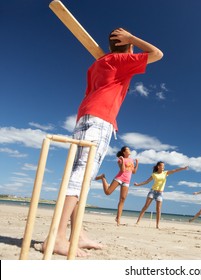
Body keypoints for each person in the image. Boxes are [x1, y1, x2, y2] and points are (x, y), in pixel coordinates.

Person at [42, 28, 163, 257]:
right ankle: (57, 237)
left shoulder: (99, 63)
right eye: (131, 46)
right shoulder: (120, 60)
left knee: (83, 177)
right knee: (81, 175)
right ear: (127, 47)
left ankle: (77, 234)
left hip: (86, 116)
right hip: (100, 119)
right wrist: (132, 39)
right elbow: (157, 53)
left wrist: (123, 44)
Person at [134, 161, 188, 229]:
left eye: (164, 166)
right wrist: (138, 184)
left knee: (158, 209)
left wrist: (183, 168)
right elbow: (147, 181)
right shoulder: (154, 174)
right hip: (152, 192)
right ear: (158, 166)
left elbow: (174, 170)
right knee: (145, 206)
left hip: (160, 193)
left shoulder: (165, 173)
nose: (163, 167)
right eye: (162, 166)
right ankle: (138, 221)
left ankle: (157, 225)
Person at [95, 146, 138, 226]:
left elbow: (134, 172)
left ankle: (118, 219)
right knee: (108, 192)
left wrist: (137, 163)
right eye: (128, 150)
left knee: (122, 199)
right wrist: (122, 160)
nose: (129, 150)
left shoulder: (131, 160)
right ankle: (102, 177)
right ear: (124, 152)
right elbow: (122, 170)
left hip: (127, 181)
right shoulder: (120, 159)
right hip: (119, 178)